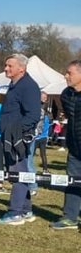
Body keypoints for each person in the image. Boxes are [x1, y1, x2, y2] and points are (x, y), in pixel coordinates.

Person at [0, 54, 41, 225]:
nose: (6, 69)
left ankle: (15, 213)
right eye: (5, 65)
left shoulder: (28, 86)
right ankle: (26, 210)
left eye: (10, 66)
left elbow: (33, 114)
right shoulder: (15, 85)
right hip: (8, 136)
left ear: (22, 68)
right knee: (19, 173)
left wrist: (17, 132)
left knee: (18, 173)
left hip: (17, 139)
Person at [50, 60, 81, 230]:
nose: (66, 76)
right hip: (75, 147)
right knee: (72, 182)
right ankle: (70, 217)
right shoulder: (66, 94)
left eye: (70, 73)